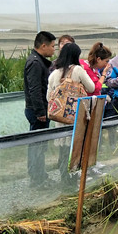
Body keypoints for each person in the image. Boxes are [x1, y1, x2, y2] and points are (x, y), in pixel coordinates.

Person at [47, 42, 95, 186]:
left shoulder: (54, 74)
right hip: (75, 116)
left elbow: (49, 97)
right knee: (76, 147)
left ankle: (64, 178)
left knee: (63, 149)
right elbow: (91, 88)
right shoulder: (78, 70)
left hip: (60, 118)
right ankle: (73, 177)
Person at [23, 30, 57, 188]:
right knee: (37, 146)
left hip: (41, 109)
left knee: (40, 145)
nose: (53, 49)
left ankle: (40, 175)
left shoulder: (39, 61)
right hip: (38, 111)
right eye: (52, 46)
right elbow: (35, 89)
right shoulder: (35, 63)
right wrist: (40, 112)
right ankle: (37, 179)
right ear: (43, 46)